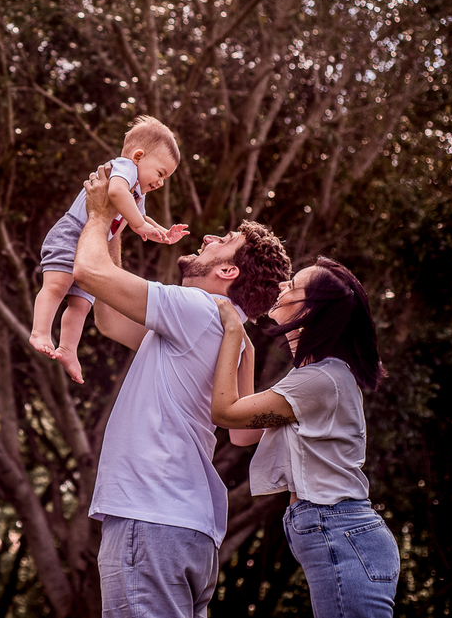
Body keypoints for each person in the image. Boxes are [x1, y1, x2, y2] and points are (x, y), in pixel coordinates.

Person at [73, 162, 291, 618]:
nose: (209, 238)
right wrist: (116, 225)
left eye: (223, 240)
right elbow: (109, 317)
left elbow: (89, 273)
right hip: (186, 529)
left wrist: (95, 215)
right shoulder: (216, 328)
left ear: (228, 270)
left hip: (150, 519)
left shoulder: (196, 307)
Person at [211, 258, 399, 618]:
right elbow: (242, 434)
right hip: (343, 533)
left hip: (341, 532)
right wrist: (245, 351)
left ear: (310, 309)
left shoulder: (320, 380)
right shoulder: (315, 376)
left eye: (292, 285)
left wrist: (232, 333)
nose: (282, 287)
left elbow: (224, 413)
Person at [31, 115, 189, 384]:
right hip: (73, 233)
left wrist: (160, 232)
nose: (161, 182)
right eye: (160, 173)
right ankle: (40, 331)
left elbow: (139, 216)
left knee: (80, 305)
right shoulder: (124, 168)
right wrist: (140, 225)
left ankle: (68, 348)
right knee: (56, 287)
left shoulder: (138, 190)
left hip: (94, 245)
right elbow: (116, 194)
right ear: (139, 156)